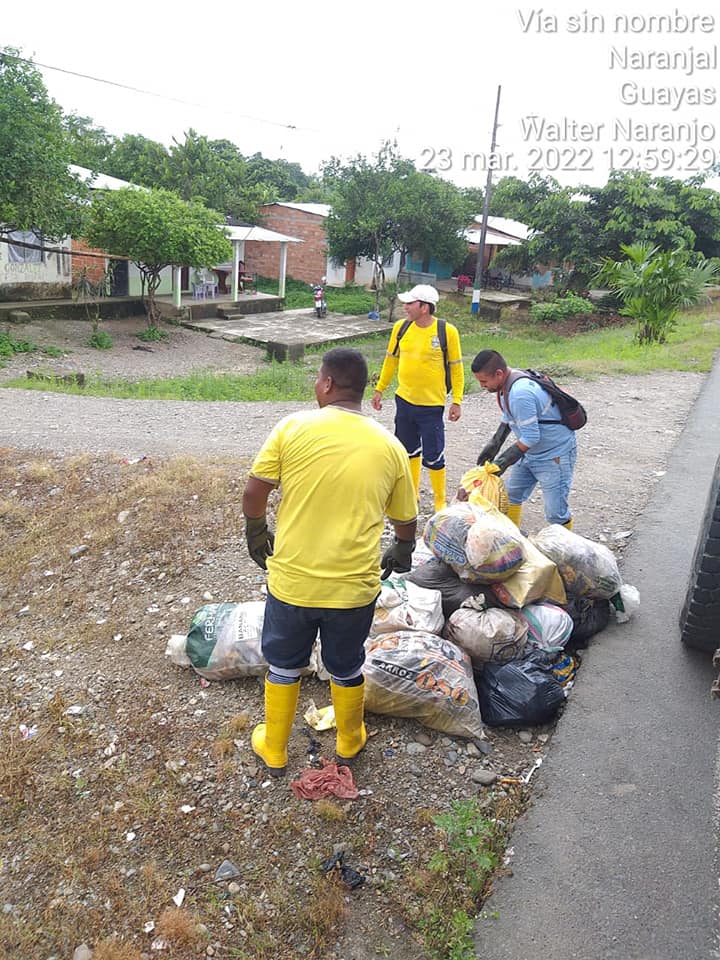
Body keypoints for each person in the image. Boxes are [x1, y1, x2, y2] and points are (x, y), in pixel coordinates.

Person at [242, 347, 418, 776]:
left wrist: (256, 532)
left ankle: (275, 748)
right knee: (346, 665)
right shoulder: (390, 446)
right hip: (353, 589)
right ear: (361, 388)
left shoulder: (292, 427)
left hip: (293, 584)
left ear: (326, 383)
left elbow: (254, 492)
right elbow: (406, 519)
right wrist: (402, 547)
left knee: (284, 664)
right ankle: (349, 740)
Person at [371, 284, 464, 513]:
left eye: (410, 303)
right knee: (407, 450)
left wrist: (457, 401)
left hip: (432, 405)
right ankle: (412, 494)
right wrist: (380, 389)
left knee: (434, 453)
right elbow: (391, 360)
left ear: (424, 307)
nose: (405, 307)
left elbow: (456, 368)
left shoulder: (447, 331)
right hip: (404, 401)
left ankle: (440, 500)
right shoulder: (401, 328)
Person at [469, 349, 577, 530]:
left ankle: (564, 546)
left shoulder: (520, 393)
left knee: (555, 513)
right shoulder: (508, 384)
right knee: (510, 496)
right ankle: (513, 541)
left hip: (554, 455)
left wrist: (503, 462)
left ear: (499, 374)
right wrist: (495, 443)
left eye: (484, 381)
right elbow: (509, 416)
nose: (482, 386)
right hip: (529, 453)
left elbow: (531, 437)